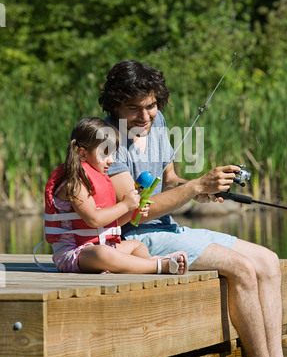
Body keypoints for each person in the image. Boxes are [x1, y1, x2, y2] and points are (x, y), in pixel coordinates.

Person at [98, 60, 287, 357]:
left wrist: (200, 188)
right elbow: (134, 214)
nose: (145, 116)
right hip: (132, 238)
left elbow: (170, 178)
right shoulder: (106, 139)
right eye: (134, 108)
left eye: (151, 105)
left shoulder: (156, 122)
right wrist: (195, 187)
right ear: (115, 104)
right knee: (241, 268)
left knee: (268, 262)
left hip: (168, 228)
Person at [43, 116, 188, 275]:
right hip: (75, 254)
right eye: (105, 154)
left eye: (113, 154)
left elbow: (113, 223)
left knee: (136, 245)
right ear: (83, 154)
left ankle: (150, 263)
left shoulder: (99, 179)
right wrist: (124, 205)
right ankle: (159, 266)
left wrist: (132, 211)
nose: (111, 160)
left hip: (104, 246)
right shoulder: (74, 184)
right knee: (103, 254)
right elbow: (94, 219)